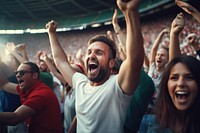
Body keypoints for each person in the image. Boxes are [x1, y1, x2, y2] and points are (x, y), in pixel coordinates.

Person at [46, 0, 144, 133]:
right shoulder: (81, 83)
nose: (91, 55)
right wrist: (51, 34)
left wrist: (130, 13)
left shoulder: (117, 87)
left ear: (111, 63)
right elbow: (61, 62)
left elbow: (134, 61)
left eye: (99, 52)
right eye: (89, 52)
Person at [139, 55, 200, 133]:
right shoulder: (146, 124)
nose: (181, 83)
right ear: (166, 85)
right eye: (174, 78)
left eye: (189, 77)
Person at [0, 61, 62, 133]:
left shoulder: (41, 94)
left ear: (35, 75)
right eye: (16, 73)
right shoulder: (28, 89)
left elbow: (14, 118)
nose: (17, 75)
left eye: (21, 73)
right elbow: (4, 84)